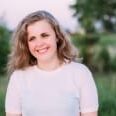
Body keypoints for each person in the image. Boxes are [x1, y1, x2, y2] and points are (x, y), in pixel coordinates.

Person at [5, 10, 99, 116]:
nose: (39, 43)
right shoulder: (19, 77)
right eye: (32, 38)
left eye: (44, 35)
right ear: (26, 45)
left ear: (57, 36)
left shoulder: (80, 73)